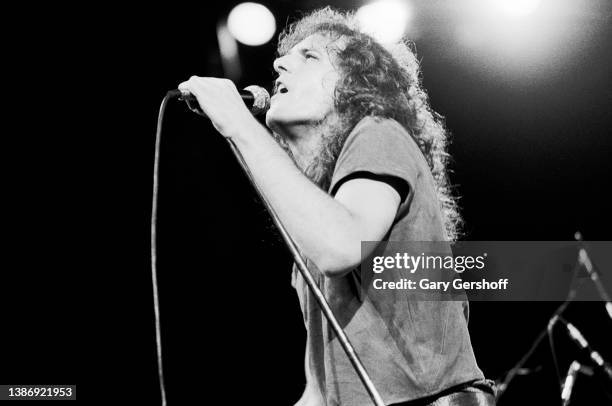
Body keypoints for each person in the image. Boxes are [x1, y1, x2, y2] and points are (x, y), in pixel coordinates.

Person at [179, 7, 495, 406]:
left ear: (355, 88)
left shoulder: (379, 133)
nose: (278, 63)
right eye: (287, 56)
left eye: (310, 56)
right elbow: (320, 390)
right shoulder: (315, 225)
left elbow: (340, 245)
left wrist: (238, 124)